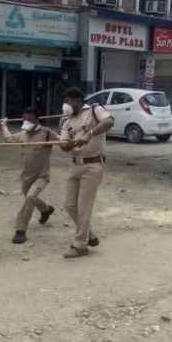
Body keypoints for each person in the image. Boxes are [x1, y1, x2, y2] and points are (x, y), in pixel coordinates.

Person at [58, 87, 114, 259]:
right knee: (69, 205)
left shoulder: (94, 109)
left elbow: (109, 122)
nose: (66, 105)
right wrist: (68, 142)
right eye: (65, 102)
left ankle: (80, 245)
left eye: (68, 102)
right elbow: (64, 147)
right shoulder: (66, 121)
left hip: (93, 165)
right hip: (75, 165)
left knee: (84, 208)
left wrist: (89, 134)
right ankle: (89, 234)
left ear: (78, 101)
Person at [0, 108, 60, 244]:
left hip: (42, 176)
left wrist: (71, 134)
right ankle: (46, 209)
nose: (26, 122)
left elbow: (64, 142)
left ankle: (20, 230)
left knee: (30, 197)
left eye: (30, 119)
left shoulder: (47, 133)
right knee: (30, 197)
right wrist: (3, 125)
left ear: (37, 119)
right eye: (24, 119)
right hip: (26, 177)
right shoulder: (23, 134)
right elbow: (8, 138)